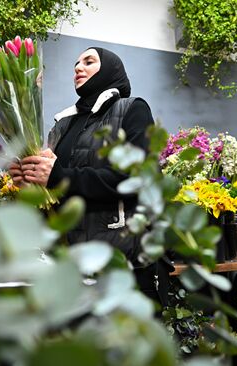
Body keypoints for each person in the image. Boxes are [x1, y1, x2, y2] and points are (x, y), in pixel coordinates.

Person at [9, 47, 172, 305]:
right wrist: (30, 179)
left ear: (110, 69)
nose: (78, 67)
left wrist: (58, 177)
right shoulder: (64, 123)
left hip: (123, 261)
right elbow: (55, 190)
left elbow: (140, 179)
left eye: (89, 61)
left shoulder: (131, 109)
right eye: (76, 63)